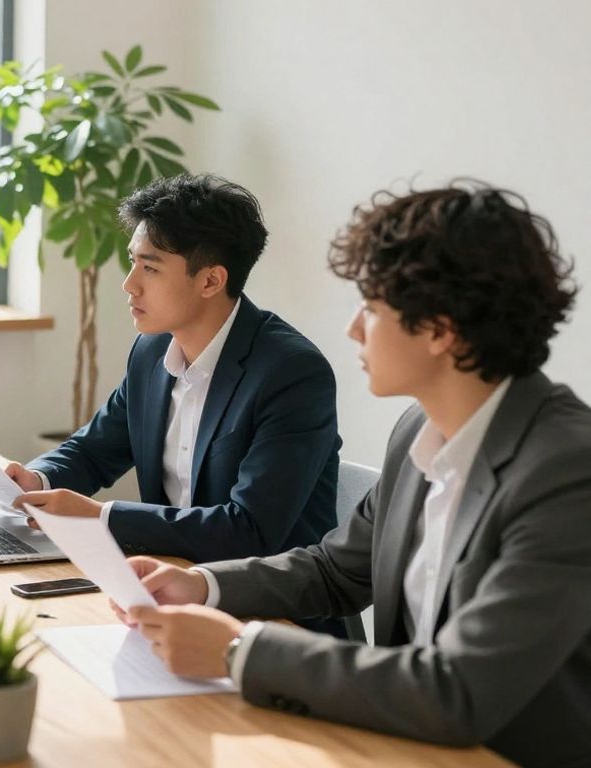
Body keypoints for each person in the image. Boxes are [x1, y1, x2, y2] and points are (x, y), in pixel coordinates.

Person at [116, 182, 589, 768]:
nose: (353, 330)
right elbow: (337, 570)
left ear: (440, 329)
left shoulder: (567, 471)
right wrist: (202, 586)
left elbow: (461, 688)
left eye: (372, 306)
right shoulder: (419, 429)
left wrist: (240, 650)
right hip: (394, 742)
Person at [7, 174, 341, 565]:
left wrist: (102, 517)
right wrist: (38, 477)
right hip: (170, 583)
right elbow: (94, 450)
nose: (129, 285)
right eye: (133, 262)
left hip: (267, 611)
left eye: (150, 269)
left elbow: (250, 530)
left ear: (211, 280)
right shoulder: (152, 351)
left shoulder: (292, 373)